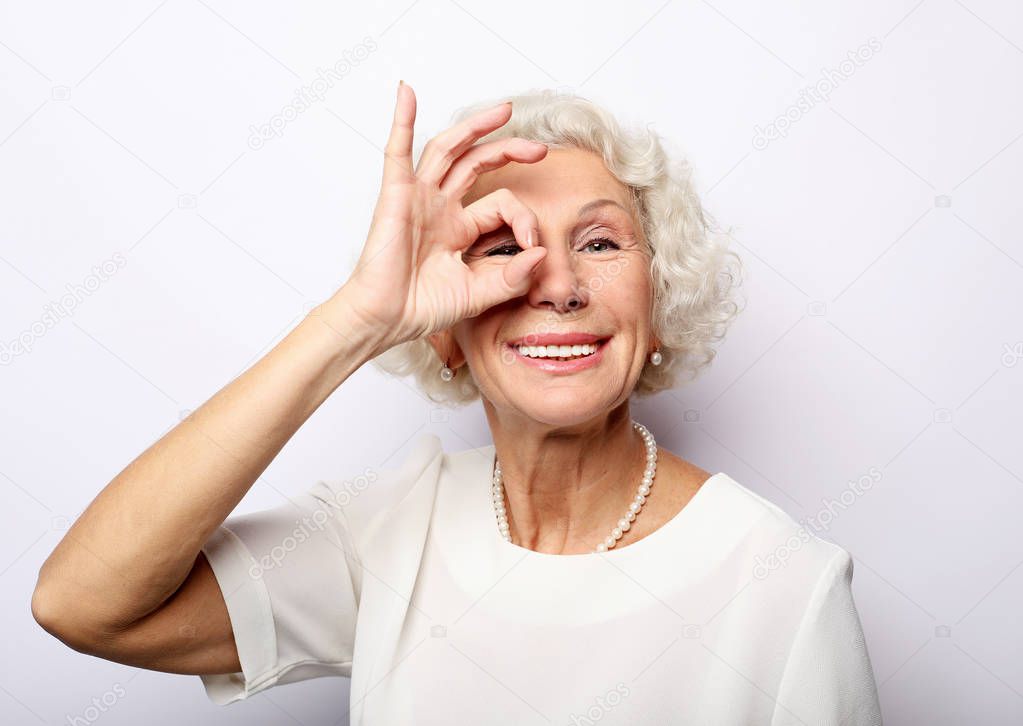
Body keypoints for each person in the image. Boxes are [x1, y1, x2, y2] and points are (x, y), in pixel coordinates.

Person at [31, 82, 883, 725]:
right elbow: (83, 605)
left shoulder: (784, 583)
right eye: (503, 246)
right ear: (446, 330)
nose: (555, 285)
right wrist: (355, 320)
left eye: (598, 241)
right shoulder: (387, 531)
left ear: (657, 305)